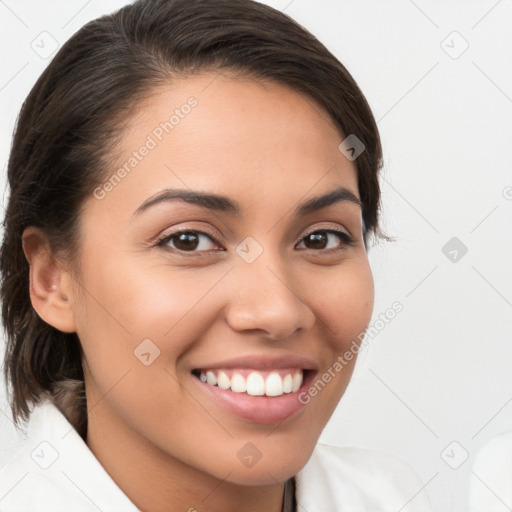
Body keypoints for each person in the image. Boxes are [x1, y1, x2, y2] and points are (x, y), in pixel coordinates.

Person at [0, 0, 432, 510]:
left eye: (320, 238)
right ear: (53, 278)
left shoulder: (398, 497)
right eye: (188, 240)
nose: (277, 310)